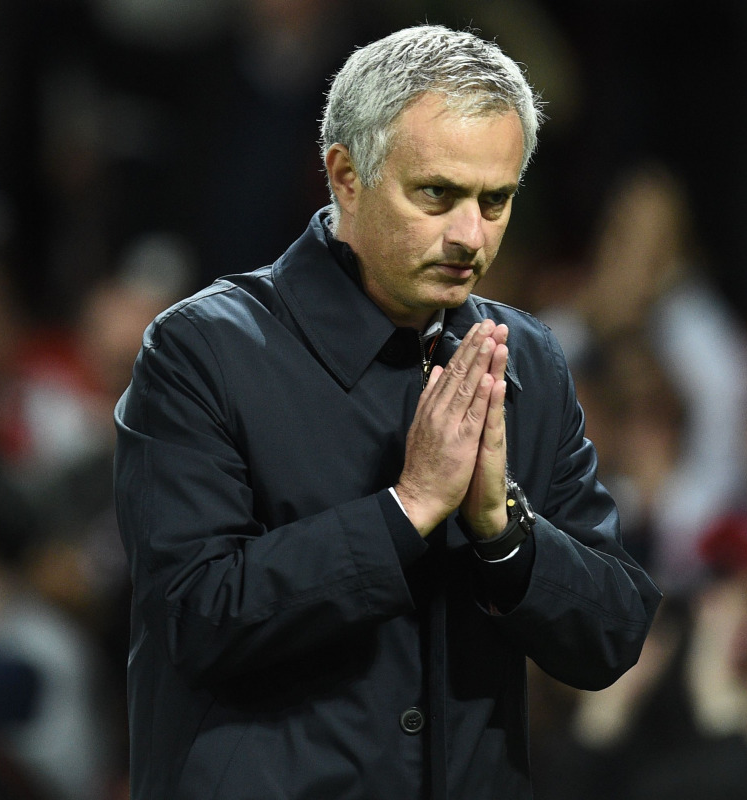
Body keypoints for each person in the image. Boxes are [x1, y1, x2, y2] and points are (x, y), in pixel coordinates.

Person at [113, 24, 661, 800]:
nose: (470, 235)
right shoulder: (202, 350)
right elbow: (196, 616)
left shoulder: (526, 358)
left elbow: (614, 631)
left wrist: (503, 534)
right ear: (344, 175)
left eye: (495, 200)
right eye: (436, 193)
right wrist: (406, 513)